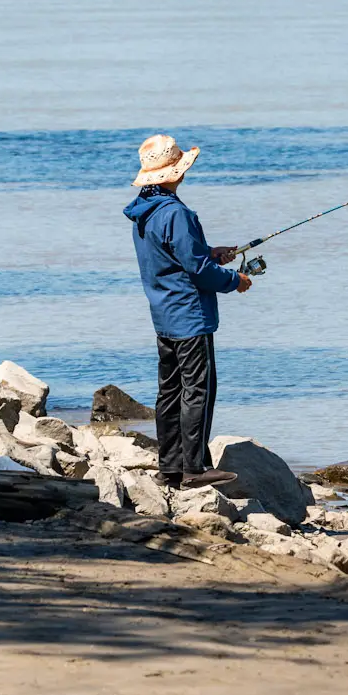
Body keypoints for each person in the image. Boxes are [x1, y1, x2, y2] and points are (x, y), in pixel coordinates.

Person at [122, 134, 252, 491]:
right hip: (190, 316)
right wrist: (233, 280)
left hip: (164, 314)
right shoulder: (178, 213)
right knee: (199, 390)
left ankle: (170, 467)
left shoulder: (144, 211)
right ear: (173, 173)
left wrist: (210, 252)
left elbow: (173, 256)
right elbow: (198, 272)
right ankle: (194, 468)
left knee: (170, 391)